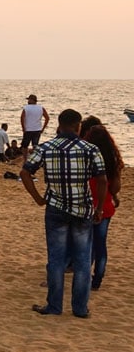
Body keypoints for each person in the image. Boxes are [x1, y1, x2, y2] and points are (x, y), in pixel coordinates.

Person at [20, 109, 106, 318]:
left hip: (56, 208)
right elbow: (102, 179)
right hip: (82, 208)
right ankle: (80, 308)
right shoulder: (90, 149)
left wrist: (38, 198)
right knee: (83, 261)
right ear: (78, 127)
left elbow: (25, 172)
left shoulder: (46, 147)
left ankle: (54, 305)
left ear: (58, 125)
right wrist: (99, 208)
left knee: (56, 259)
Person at [82, 123, 124, 291]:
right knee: (101, 245)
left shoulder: (85, 156)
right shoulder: (112, 162)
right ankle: (97, 279)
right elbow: (114, 187)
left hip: (85, 204)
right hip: (104, 205)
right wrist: (113, 195)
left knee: (85, 244)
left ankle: (83, 276)